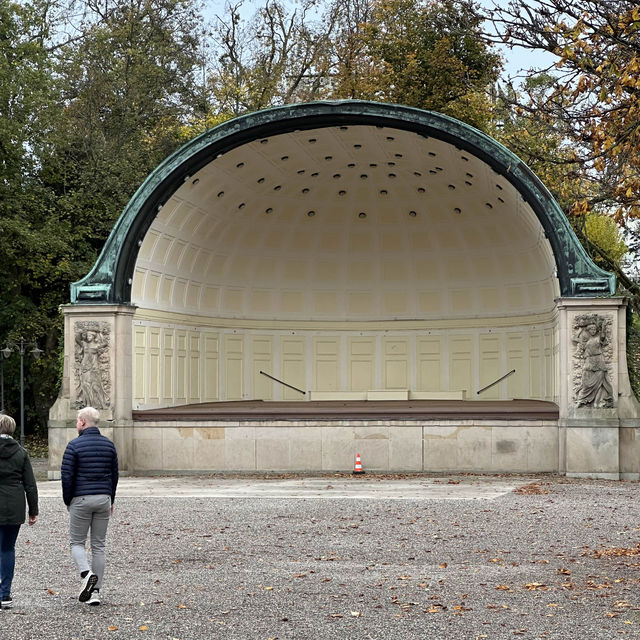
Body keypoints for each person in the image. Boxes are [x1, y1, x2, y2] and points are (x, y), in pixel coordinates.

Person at [61, 406, 118, 606]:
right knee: (99, 545)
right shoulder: (109, 445)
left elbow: (67, 476)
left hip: (81, 498)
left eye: (77, 420)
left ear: (83, 422)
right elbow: (114, 475)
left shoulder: (74, 446)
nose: (77, 423)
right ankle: (95, 593)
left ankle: (86, 574)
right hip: (103, 498)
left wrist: (68, 500)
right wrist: (111, 498)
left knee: (77, 542)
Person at [0, 413, 38, 610]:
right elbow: (30, 485)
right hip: (14, 503)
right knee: (7, 548)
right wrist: (33, 510)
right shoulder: (21, 453)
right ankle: (5, 593)